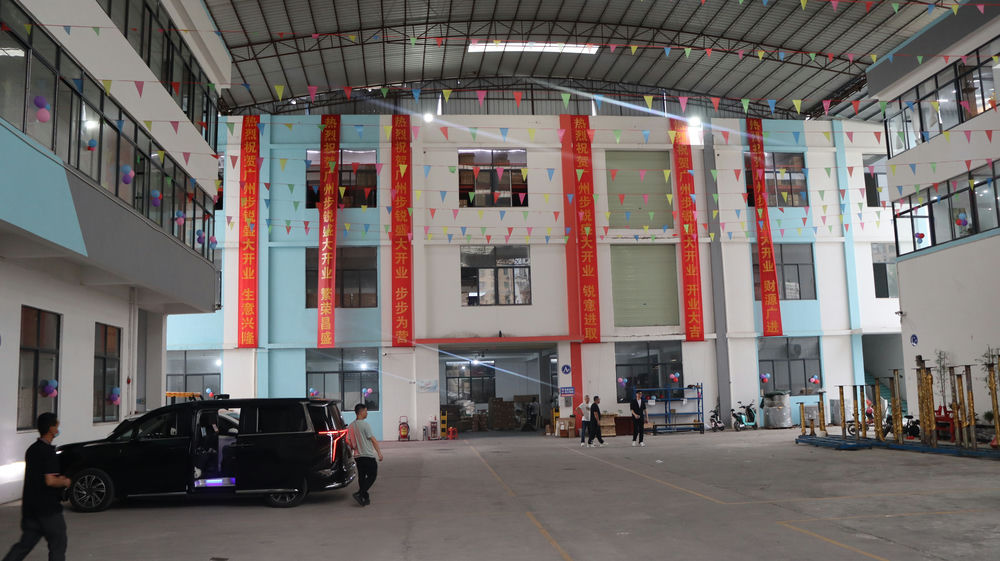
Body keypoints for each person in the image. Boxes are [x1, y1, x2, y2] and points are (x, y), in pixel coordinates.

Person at [3, 413, 71, 561]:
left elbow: (38, 475)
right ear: (51, 428)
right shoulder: (48, 452)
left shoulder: (32, 449)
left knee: (23, 546)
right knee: (58, 545)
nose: (58, 429)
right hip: (48, 510)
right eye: (57, 426)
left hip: (30, 509)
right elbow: (50, 481)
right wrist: (64, 482)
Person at [348, 403, 383, 507]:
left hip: (358, 456)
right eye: (366, 411)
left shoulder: (351, 426)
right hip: (367, 455)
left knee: (362, 477)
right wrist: (379, 453)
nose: (367, 413)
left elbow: (349, 442)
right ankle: (360, 493)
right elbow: (373, 439)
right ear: (361, 412)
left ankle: (364, 498)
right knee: (372, 475)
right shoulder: (365, 424)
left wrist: (354, 447)